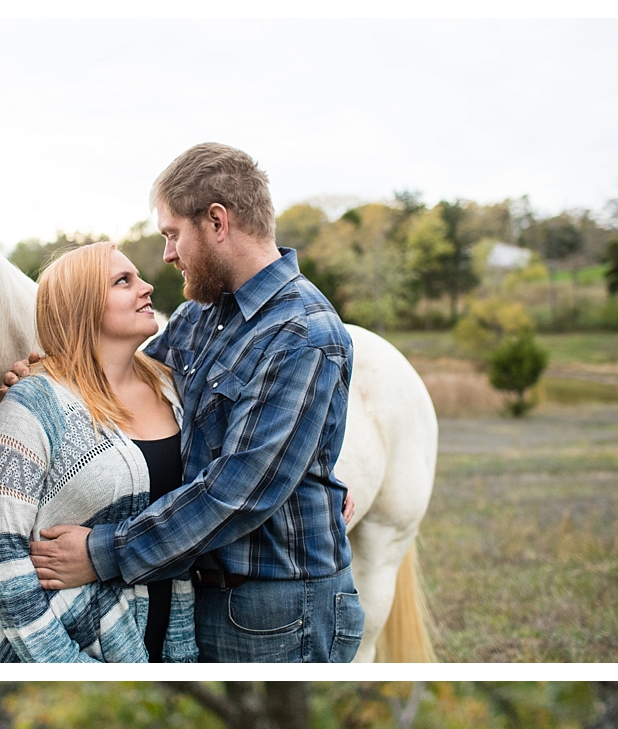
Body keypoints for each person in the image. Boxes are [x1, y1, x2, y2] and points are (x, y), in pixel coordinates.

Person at [26, 142, 365, 664]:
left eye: (171, 234)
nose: (166, 255)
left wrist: (103, 553)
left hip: (276, 607)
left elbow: (238, 493)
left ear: (216, 221)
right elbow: (124, 384)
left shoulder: (303, 334)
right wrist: (47, 381)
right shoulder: (199, 318)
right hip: (193, 594)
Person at [0, 240, 195, 662]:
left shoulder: (171, 387)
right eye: (124, 281)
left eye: (138, 278)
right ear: (82, 305)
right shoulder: (33, 404)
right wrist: (62, 662)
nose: (147, 289)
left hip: (166, 638)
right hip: (56, 652)